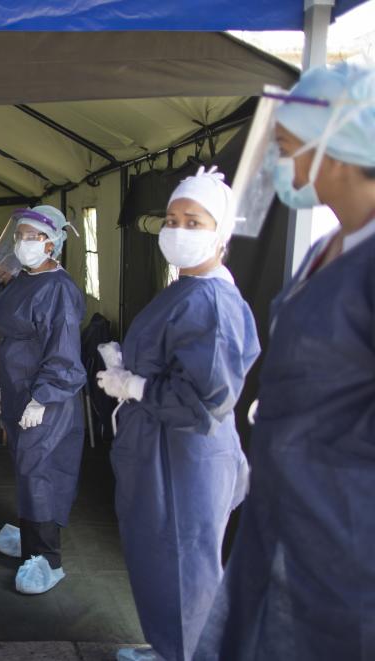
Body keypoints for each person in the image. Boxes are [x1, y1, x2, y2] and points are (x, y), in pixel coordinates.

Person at [194, 63, 375, 661]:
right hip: (289, 505)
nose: (281, 166)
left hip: (346, 521)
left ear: (341, 150)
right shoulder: (332, 243)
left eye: (289, 149)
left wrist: (317, 454)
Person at [95, 166, 260, 661]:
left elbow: (205, 399)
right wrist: (128, 367)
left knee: (186, 567)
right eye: (171, 218)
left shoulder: (211, 301)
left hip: (184, 458)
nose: (177, 230)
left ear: (222, 232)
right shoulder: (183, 287)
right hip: (161, 450)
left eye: (194, 221)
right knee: (161, 563)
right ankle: (171, 648)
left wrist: (135, 384)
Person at [0, 205, 87, 595]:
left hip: (46, 396)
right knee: (25, 467)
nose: (22, 243)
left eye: (31, 236)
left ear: (52, 242)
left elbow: (63, 351)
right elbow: (14, 339)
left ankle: (47, 557)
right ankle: (30, 532)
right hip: (18, 389)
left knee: (42, 470)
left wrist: (41, 399)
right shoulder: (24, 280)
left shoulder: (58, 289)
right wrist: (2, 385)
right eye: (20, 236)